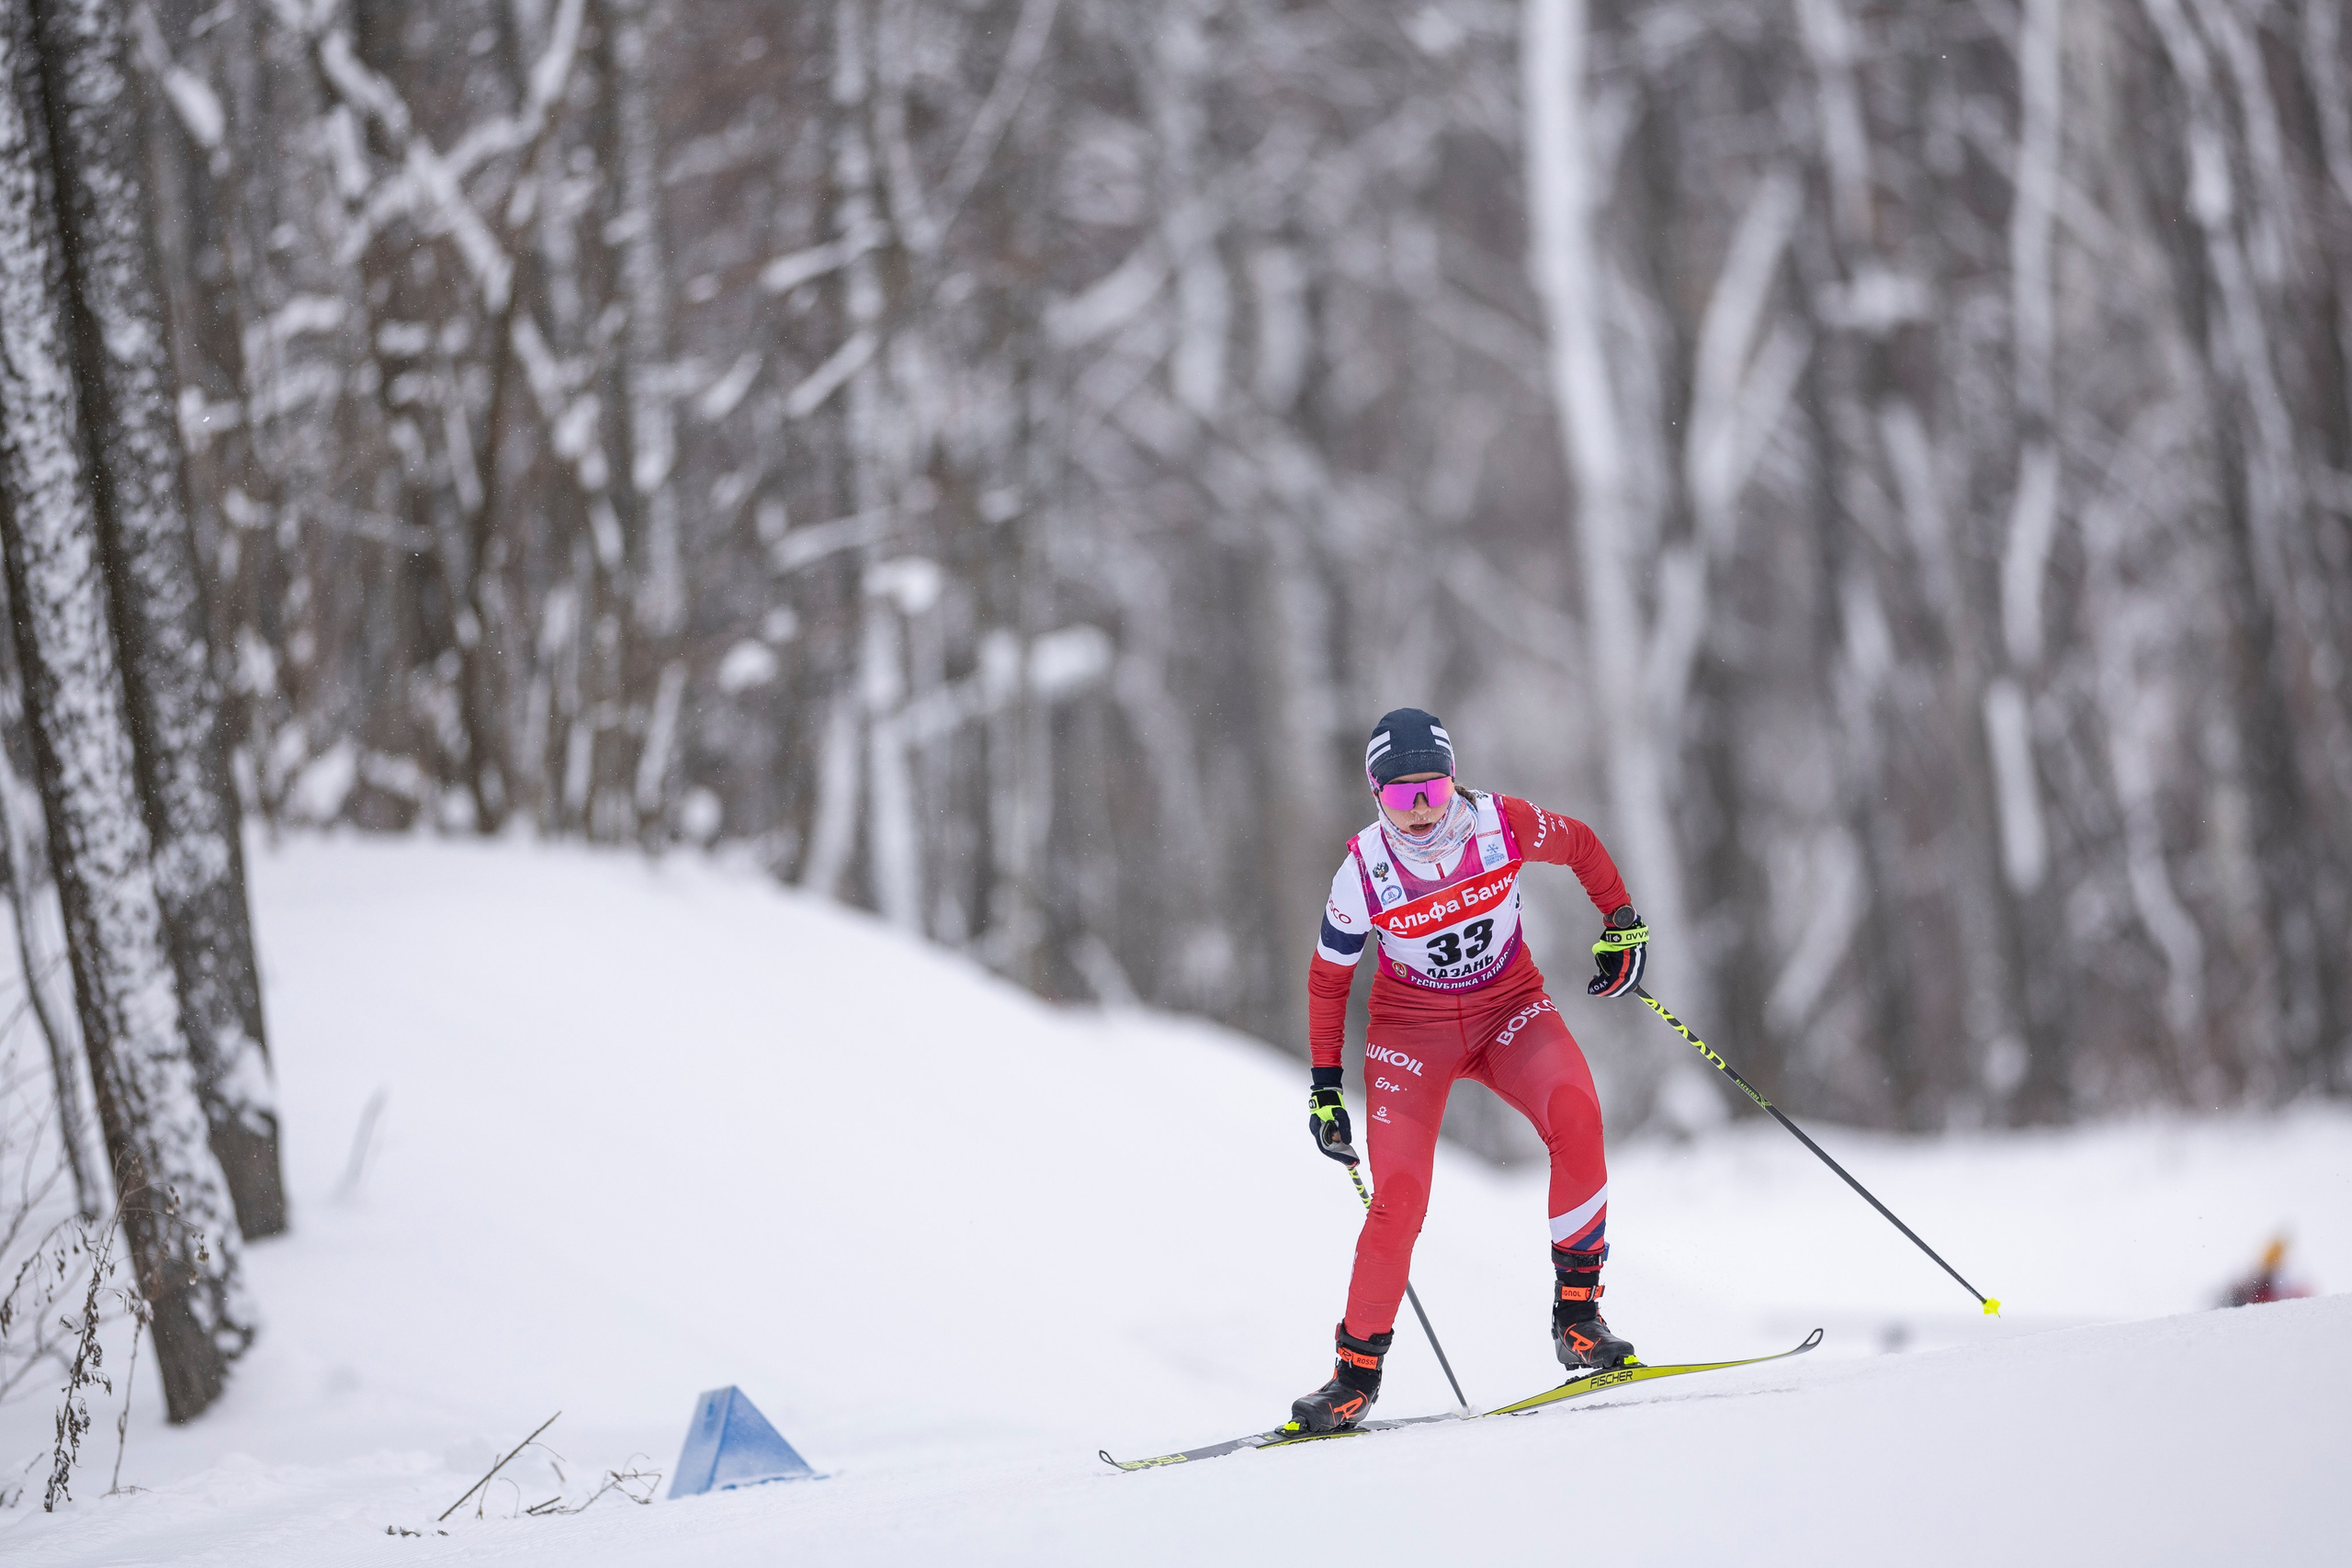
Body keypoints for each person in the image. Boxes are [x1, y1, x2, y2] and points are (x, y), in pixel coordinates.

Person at [1289, 707, 1650, 1433]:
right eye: (1400, 796)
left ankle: (1578, 1320)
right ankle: (1353, 1377)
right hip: (1411, 1032)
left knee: (1577, 1115)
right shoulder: (1362, 870)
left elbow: (1580, 843)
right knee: (1399, 1195)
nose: (1420, 811)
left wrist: (1622, 922)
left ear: (1456, 781)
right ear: (1374, 795)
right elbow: (1329, 978)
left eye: (1433, 790)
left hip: (1508, 1008)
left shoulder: (1500, 824)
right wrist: (1324, 1086)